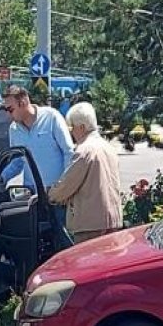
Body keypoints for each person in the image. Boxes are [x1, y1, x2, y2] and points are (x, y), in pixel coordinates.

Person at [0, 85, 74, 225]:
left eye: (10, 109)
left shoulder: (51, 117)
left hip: (57, 196)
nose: (8, 115)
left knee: (62, 239)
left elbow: (69, 152)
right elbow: (18, 162)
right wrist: (2, 177)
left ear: (23, 103)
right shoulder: (14, 130)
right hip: (32, 197)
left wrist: (64, 188)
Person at [50, 102, 123, 242]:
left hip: (90, 224)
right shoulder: (108, 148)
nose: (71, 132)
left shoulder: (84, 151)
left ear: (82, 127)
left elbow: (68, 184)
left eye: (72, 127)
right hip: (113, 220)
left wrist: (51, 194)